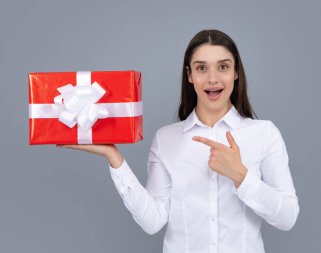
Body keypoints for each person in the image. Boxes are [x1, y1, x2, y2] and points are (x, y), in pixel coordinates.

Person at [58, 29, 299, 253]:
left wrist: (240, 175)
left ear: (236, 73)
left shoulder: (264, 134)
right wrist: (115, 158)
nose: (213, 78)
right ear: (190, 75)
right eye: (202, 68)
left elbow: (287, 218)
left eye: (223, 67)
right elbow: (153, 221)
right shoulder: (166, 139)